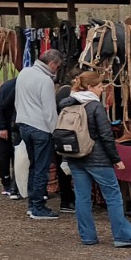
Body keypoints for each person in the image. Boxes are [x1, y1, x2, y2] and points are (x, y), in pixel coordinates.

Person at [58, 69, 131, 248]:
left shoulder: (69, 104)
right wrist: (116, 159)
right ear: (90, 87)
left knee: (82, 198)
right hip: (97, 158)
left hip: (76, 156)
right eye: (99, 86)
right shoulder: (95, 106)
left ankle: (87, 235)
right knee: (113, 196)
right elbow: (106, 135)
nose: (101, 89)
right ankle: (123, 235)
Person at [14, 49, 64, 220]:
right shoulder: (45, 81)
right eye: (57, 67)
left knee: (34, 166)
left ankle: (32, 203)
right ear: (51, 64)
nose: (56, 70)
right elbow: (49, 110)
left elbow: (17, 100)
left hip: (24, 124)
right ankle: (38, 206)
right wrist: (55, 132)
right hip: (41, 128)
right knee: (42, 168)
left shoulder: (24, 73)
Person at [0, 74, 22, 199]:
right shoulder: (9, 87)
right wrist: (1, 127)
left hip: (17, 125)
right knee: (4, 155)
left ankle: (16, 183)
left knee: (17, 155)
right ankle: (6, 181)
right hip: (5, 124)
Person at [54, 67, 79, 213]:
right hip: (67, 134)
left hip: (62, 133)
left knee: (63, 166)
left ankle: (68, 198)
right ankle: (67, 199)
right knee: (65, 166)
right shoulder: (67, 93)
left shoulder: (62, 91)